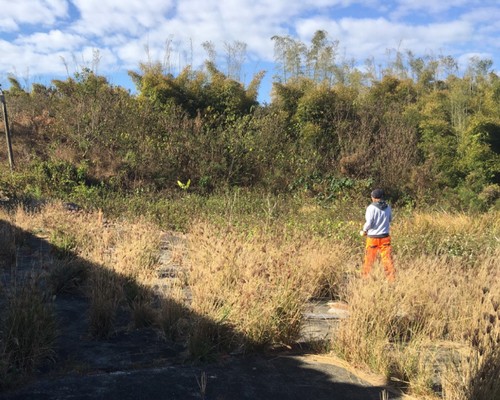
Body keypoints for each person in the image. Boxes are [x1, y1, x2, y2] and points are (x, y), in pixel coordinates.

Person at [359, 188, 395, 281]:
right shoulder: (388, 207)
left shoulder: (371, 208)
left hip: (373, 238)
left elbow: (369, 222)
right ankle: (391, 279)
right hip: (385, 237)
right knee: (387, 259)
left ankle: (365, 278)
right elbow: (390, 219)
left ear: (373, 198)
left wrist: (364, 230)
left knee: (369, 260)